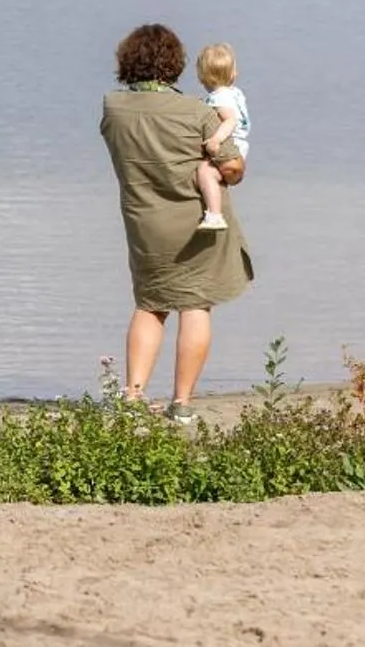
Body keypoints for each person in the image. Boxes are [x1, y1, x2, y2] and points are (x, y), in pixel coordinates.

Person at [100, 23, 255, 423]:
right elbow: (233, 168)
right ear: (175, 64)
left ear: (127, 62)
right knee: (195, 306)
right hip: (199, 223)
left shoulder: (113, 108)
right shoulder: (198, 112)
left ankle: (132, 396)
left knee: (150, 305)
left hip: (144, 222)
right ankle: (181, 404)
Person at [192, 42, 250, 232]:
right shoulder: (234, 93)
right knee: (213, 176)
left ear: (202, 77)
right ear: (233, 73)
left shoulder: (219, 98)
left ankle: (215, 215)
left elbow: (230, 120)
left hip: (229, 145)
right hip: (240, 147)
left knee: (205, 172)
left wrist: (216, 140)